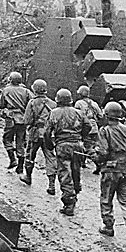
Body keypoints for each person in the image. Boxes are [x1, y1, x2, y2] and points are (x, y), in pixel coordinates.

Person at [92, 101, 126, 249]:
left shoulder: (104, 131)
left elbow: (102, 152)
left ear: (106, 115)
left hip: (111, 170)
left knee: (106, 198)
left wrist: (95, 158)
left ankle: (108, 227)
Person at [44, 88, 91, 216]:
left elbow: (47, 132)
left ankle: (69, 203)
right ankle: (76, 189)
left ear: (57, 100)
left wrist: (50, 145)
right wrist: (80, 136)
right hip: (77, 145)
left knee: (64, 173)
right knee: (76, 170)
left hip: (62, 145)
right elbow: (88, 126)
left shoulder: (54, 113)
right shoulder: (79, 113)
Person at [20, 79, 58, 195]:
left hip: (35, 133)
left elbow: (27, 120)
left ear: (34, 89)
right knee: (50, 158)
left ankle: (28, 177)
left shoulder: (32, 102)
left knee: (30, 154)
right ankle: (51, 185)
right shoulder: (53, 103)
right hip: (48, 134)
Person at [0, 71, 32, 173]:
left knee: (7, 139)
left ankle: (13, 159)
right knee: (20, 142)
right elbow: (31, 103)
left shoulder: (6, 90)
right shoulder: (26, 91)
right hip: (22, 119)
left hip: (11, 118)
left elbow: (1, 105)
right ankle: (20, 167)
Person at [74, 85, 104, 173]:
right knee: (93, 146)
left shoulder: (78, 103)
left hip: (85, 127)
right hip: (95, 128)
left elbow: (76, 116)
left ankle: (98, 163)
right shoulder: (94, 103)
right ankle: (83, 163)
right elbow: (100, 116)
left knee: (87, 146)